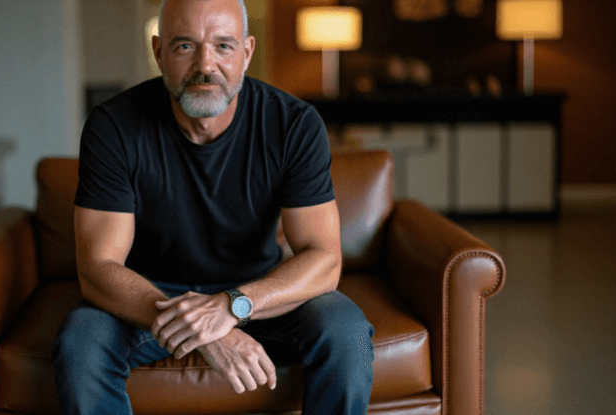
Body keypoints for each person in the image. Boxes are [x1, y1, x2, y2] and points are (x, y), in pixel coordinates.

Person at [52, 0, 374, 413]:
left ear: (247, 52)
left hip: (259, 290)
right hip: (151, 295)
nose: (206, 65)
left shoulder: (294, 124)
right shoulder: (113, 126)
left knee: (345, 331)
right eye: (185, 46)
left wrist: (231, 306)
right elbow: (98, 268)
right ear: (159, 53)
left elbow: (325, 259)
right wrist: (204, 329)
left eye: (223, 46)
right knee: (81, 341)